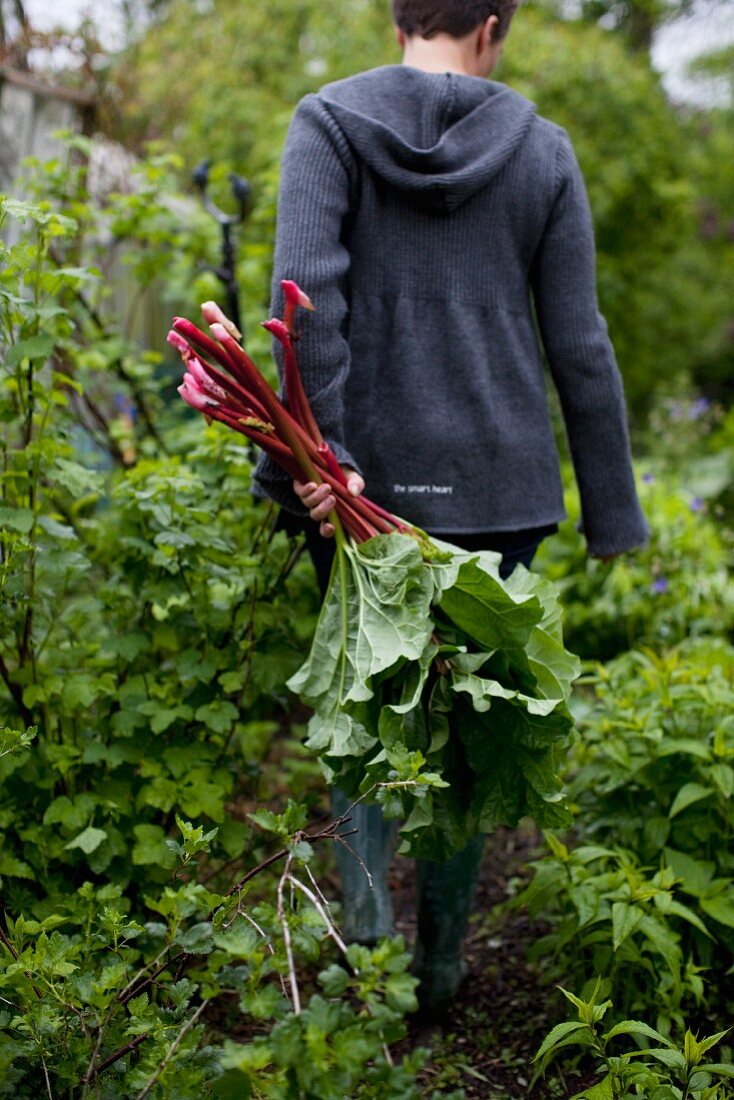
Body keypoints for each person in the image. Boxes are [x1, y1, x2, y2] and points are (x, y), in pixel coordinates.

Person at [254, 0, 649, 1013]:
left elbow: (303, 296)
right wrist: (613, 514)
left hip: (359, 491)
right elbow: (579, 342)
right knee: (470, 732)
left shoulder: (327, 122)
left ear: (399, 22)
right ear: (491, 25)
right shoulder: (543, 152)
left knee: (365, 714)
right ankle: (438, 970)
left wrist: (320, 462)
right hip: (497, 486)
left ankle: (368, 960)